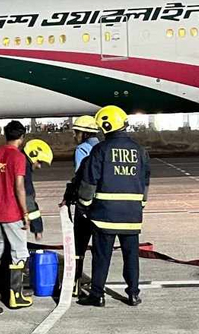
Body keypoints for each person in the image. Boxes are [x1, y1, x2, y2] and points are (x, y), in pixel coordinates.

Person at [77, 106, 150, 307]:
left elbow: (89, 182)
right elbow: (145, 182)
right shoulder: (140, 151)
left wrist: (84, 206)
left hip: (105, 215)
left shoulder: (100, 150)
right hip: (132, 215)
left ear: (106, 126)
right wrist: (140, 205)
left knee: (101, 257)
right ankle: (133, 294)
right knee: (131, 257)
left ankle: (97, 295)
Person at [0, 120, 33, 309]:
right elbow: (19, 187)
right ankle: (16, 296)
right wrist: (25, 213)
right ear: (22, 137)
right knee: (19, 252)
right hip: (11, 212)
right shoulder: (18, 157)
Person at [63, 115, 102, 297]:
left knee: (79, 245)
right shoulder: (102, 147)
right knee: (100, 248)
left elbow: (80, 177)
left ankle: (75, 283)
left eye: (76, 132)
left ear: (84, 134)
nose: (74, 135)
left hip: (85, 203)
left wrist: (69, 195)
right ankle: (97, 285)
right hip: (102, 204)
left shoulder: (82, 149)